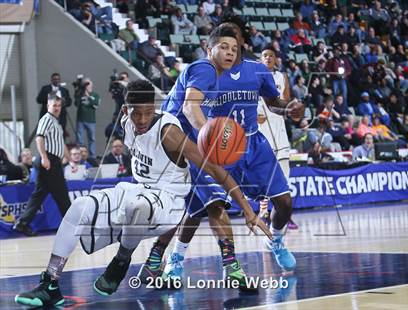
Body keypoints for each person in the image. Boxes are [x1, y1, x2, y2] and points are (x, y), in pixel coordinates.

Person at [14, 79, 269, 307]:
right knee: (78, 208)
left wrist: (247, 210)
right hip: (140, 191)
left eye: (149, 112)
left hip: (170, 203)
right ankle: (50, 283)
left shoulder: (168, 132)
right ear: (126, 111)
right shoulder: (126, 123)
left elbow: (213, 167)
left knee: (139, 205)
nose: (144, 119)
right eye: (138, 113)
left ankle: (121, 262)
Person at [139, 16, 303, 290]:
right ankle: (174, 262)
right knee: (201, 207)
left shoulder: (255, 70)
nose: (231, 48)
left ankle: (273, 241)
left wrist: (288, 109)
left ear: (242, 42)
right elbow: (191, 108)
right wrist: (209, 136)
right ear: (211, 46)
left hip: (246, 142)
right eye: (225, 43)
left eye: (235, 43)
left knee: (283, 202)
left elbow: (273, 102)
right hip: (199, 144)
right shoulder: (205, 69)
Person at [13, 91, 71, 237]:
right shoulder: (46, 119)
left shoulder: (56, 122)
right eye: (54, 105)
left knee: (39, 194)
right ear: (47, 105)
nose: (57, 108)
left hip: (52, 160)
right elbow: (39, 138)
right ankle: (72, 226)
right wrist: (45, 157)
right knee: (62, 195)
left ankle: (22, 223)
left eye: (59, 105)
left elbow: (60, 143)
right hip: (48, 160)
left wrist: (69, 158)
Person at [257, 45, 299, 230]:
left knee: (283, 176)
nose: (268, 58)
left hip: (279, 129)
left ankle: (284, 213)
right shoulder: (254, 77)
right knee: (266, 175)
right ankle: (263, 213)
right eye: (264, 55)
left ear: (276, 60)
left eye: (271, 55)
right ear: (260, 59)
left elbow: (286, 102)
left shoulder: (282, 77)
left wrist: (293, 109)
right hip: (262, 129)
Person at [75, 78, 100, 158]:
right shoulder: (79, 94)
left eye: (88, 84)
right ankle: (80, 155)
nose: (87, 86)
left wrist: (88, 96)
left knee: (92, 139)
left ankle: (92, 156)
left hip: (91, 120)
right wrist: (79, 92)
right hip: (81, 119)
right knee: (80, 139)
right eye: (86, 84)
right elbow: (76, 103)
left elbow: (95, 104)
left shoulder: (95, 95)